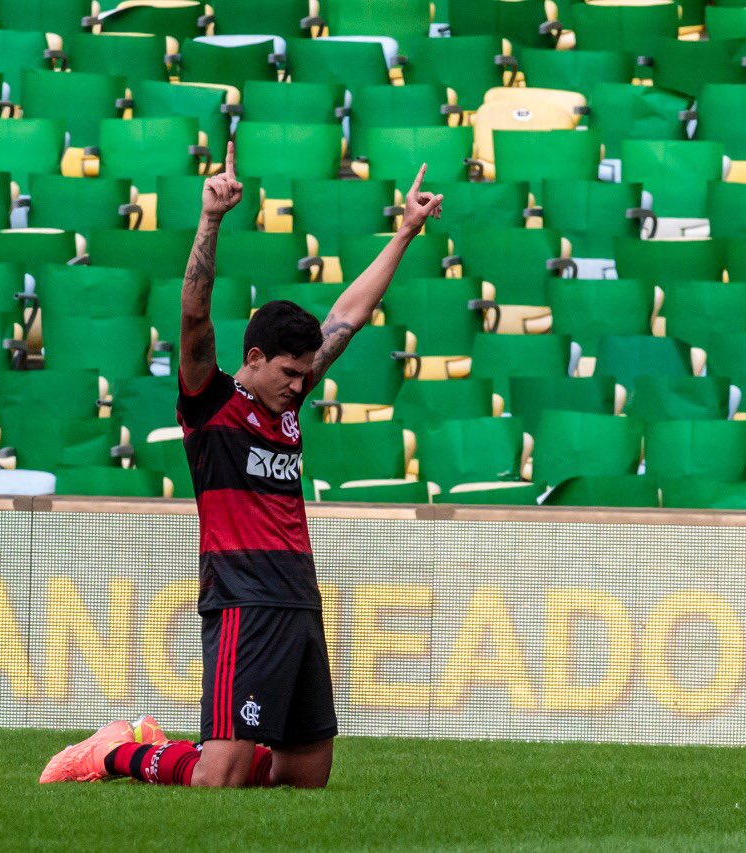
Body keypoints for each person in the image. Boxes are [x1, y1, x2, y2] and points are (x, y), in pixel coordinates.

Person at [40, 142, 444, 788]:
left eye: (305, 373)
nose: (299, 385)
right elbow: (194, 315)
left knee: (306, 774)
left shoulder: (289, 402)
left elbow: (349, 315)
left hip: (298, 599)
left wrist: (404, 232)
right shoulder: (213, 404)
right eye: (288, 372)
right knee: (218, 777)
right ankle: (116, 750)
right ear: (252, 356)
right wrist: (212, 218)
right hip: (243, 600)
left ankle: (188, 747)